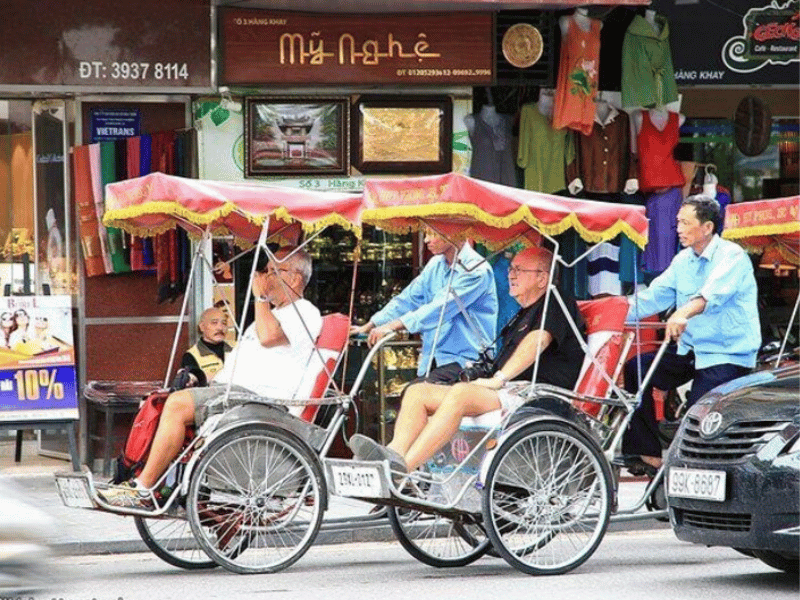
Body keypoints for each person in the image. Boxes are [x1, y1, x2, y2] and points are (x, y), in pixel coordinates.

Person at [100, 247, 323, 507]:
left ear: (295, 278)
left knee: (178, 405)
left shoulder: (305, 312)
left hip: (259, 400)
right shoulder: (269, 316)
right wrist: (202, 378)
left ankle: (143, 488)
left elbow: (269, 337)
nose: (264, 278)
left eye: (273, 271)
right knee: (159, 402)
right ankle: (151, 481)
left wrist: (259, 299)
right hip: (233, 391)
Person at [349, 247, 586, 473]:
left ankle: (403, 469)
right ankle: (393, 456)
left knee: (461, 394)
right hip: (509, 391)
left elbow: (537, 342)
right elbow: (409, 298)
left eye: (519, 270)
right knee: (418, 393)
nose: (510, 275)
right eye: (510, 269)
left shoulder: (556, 301)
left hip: (535, 394)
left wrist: (498, 379)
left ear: (542, 278)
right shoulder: (521, 313)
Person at [621, 195, 760, 474]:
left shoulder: (732, 256)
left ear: (707, 227)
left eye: (685, 223)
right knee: (637, 368)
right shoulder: (683, 260)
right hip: (691, 349)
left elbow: (709, 296)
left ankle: (692, 472)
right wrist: (611, 313)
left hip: (726, 353)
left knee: (698, 413)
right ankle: (647, 452)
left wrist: (682, 313)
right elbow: (652, 298)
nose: (679, 229)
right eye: (678, 223)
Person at [351, 229, 498, 381]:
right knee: (411, 393)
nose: (426, 240)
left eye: (432, 233)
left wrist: (393, 325)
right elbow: (408, 299)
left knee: (414, 395)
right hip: (435, 358)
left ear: (453, 232)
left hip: (467, 361)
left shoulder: (476, 270)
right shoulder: (436, 264)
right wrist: (371, 324)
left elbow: (439, 308)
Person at [172, 307, 232, 389]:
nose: (220, 328)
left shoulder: (236, 349)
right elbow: (191, 382)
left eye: (224, 323)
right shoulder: (191, 355)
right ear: (202, 327)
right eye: (214, 323)